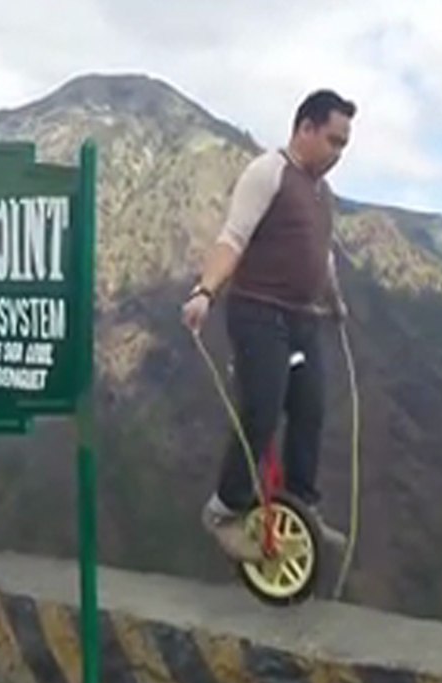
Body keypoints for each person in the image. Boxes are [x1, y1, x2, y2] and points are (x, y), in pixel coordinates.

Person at [181, 89, 355, 562]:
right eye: (333, 141)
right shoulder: (268, 173)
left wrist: (334, 301)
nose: (338, 154)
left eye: (344, 145)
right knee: (262, 410)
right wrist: (205, 292)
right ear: (305, 129)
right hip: (258, 314)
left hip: (303, 318)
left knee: (311, 411)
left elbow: (321, 256)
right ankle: (225, 509)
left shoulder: (321, 193)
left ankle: (301, 507)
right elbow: (232, 238)